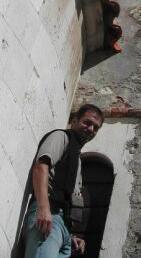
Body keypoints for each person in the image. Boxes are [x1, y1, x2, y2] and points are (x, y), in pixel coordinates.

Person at [23, 104, 104, 258]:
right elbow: (41, 167)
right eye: (87, 122)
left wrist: (69, 235)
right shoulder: (61, 137)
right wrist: (44, 208)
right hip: (49, 216)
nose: (90, 129)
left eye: (95, 127)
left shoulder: (77, 158)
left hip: (63, 229)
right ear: (74, 120)